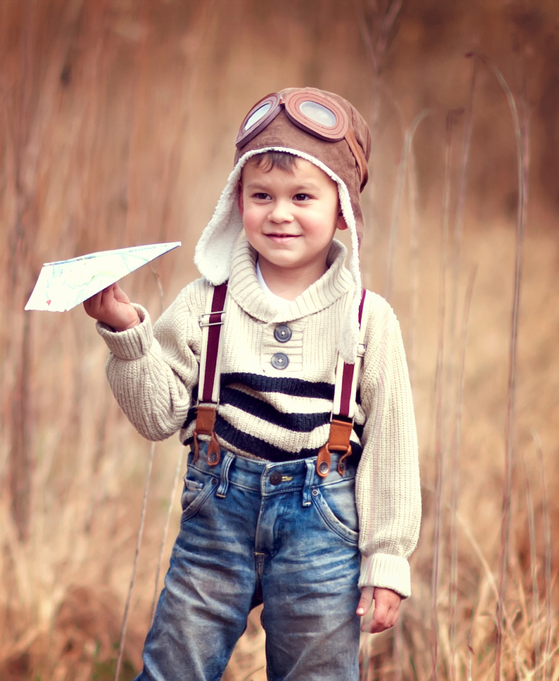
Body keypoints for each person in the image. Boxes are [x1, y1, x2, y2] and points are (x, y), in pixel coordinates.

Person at [83, 87, 421, 681]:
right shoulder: (203, 303)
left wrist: (387, 561)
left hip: (325, 525)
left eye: (302, 197)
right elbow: (159, 416)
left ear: (342, 208)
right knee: (174, 668)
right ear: (236, 200)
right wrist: (125, 333)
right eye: (261, 195)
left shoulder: (369, 320)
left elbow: (391, 447)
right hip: (217, 513)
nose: (280, 213)